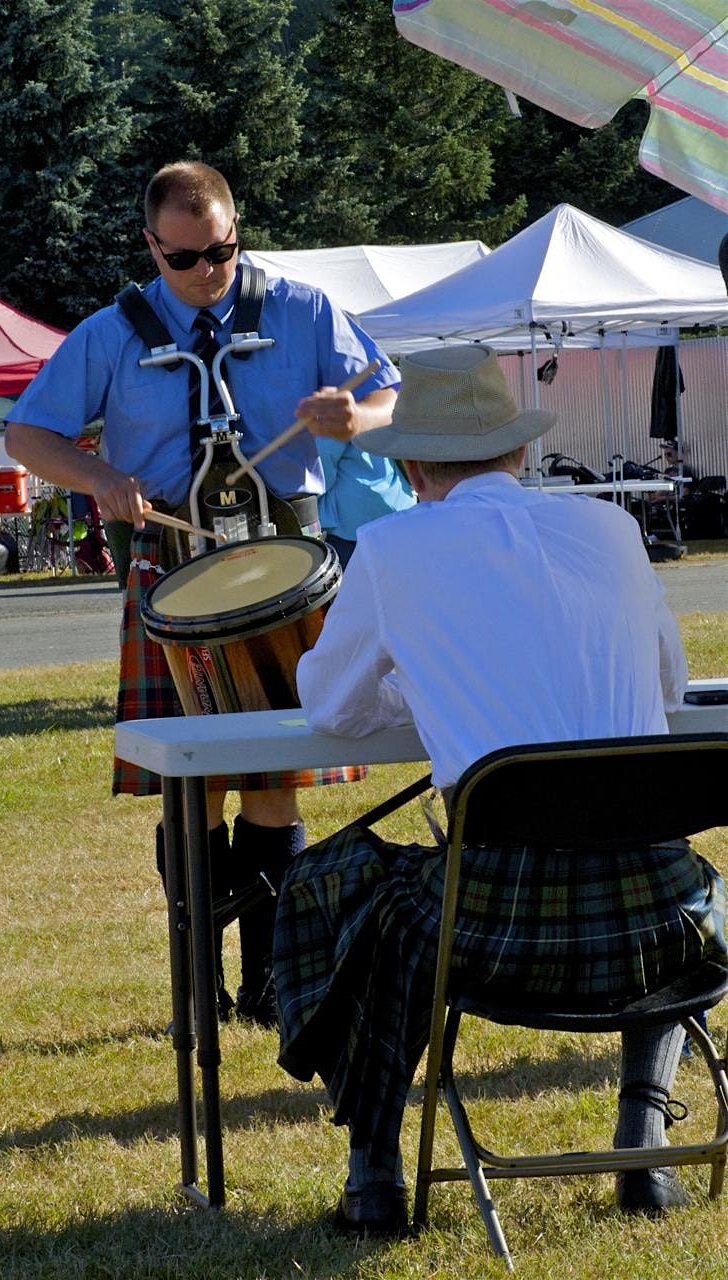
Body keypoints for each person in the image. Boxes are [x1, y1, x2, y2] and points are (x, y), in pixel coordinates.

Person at [273, 345, 727, 1234]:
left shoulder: (392, 546)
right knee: (652, 861)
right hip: (664, 924)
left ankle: (374, 1175)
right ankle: (642, 1141)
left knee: (330, 885)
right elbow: (667, 691)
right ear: (519, 453)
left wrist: (422, 683)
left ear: (409, 467)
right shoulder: (614, 530)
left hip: (492, 930)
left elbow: (330, 704)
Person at [4, 160, 399, 1027]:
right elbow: (29, 434)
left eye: (221, 250)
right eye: (184, 260)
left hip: (286, 577)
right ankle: (197, 982)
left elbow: (388, 395)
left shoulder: (302, 309)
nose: (207, 273)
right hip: (169, 571)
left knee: (274, 778)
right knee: (195, 786)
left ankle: (269, 984)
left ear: (235, 226)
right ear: (151, 245)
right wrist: (100, 475)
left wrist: (355, 418)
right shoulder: (112, 332)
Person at [316, 437, 415, 568]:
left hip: (352, 524)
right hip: (399, 507)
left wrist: (309, 496)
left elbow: (322, 460)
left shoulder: (334, 417)